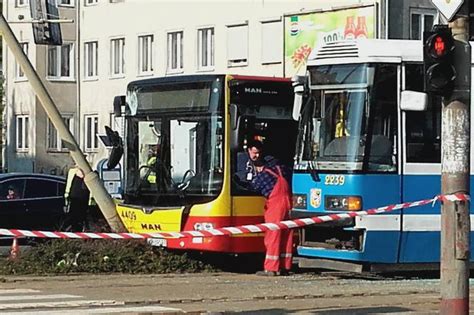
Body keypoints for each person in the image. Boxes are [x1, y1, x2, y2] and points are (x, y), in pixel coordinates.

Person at [251, 158, 293, 276]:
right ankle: (285, 266)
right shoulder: (285, 171)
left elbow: (253, 187)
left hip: (276, 206)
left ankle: (271, 268)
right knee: (287, 235)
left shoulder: (264, 176)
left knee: (273, 235)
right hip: (289, 203)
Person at [64, 166, 92, 231]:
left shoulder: (85, 175)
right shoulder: (74, 172)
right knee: (76, 220)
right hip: (75, 200)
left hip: (78, 200)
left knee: (78, 219)